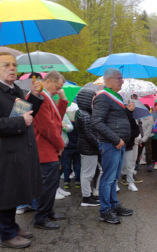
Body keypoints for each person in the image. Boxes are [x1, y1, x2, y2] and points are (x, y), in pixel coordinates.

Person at [0, 52, 43, 248]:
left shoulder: (15, 89)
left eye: (14, 65)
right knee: (6, 194)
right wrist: (19, 121)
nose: (12, 68)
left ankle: (12, 226)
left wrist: (33, 96)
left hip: (18, 151)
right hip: (4, 153)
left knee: (15, 192)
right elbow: (20, 119)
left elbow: (26, 113)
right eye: (6, 65)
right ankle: (7, 233)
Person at [92, 68, 135, 224]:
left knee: (114, 178)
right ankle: (105, 210)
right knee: (108, 178)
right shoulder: (103, 97)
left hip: (118, 144)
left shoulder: (116, 97)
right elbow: (96, 122)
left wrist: (128, 111)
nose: (122, 81)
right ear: (108, 80)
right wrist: (116, 139)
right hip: (111, 144)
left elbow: (116, 119)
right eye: (119, 78)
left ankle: (113, 205)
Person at [33, 71, 68, 230]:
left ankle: (48, 211)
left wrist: (63, 100)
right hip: (44, 147)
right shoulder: (40, 97)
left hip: (49, 147)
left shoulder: (48, 96)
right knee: (47, 185)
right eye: (57, 86)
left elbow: (57, 119)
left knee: (52, 183)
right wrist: (60, 144)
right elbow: (47, 127)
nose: (58, 90)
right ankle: (41, 217)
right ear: (47, 81)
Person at [75, 89, 101, 207]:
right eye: (93, 98)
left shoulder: (83, 113)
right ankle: (86, 197)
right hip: (88, 148)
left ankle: (88, 195)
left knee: (87, 172)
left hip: (87, 147)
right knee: (88, 173)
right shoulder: (84, 114)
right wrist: (99, 145)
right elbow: (89, 134)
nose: (94, 101)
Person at [120, 96, 141, 192]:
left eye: (133, 104)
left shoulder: (133, 117)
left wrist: (130, 134)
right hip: (118, 143)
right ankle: (115, 183)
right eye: (130, 104)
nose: (132, 106)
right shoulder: (120, 114)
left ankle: (131, 182)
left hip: (129, 144)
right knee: (118, 165)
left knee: (129, 164)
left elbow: (136, 131)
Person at [137, 104, 154, 172]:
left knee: (148, 151)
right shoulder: (139, 116)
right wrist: (139, 137)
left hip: (148, 137)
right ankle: (136, 163)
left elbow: (148, 131)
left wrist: (143, 139)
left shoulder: (150, 118)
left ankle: (149, 164)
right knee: (138, 151)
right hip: (140, 136)